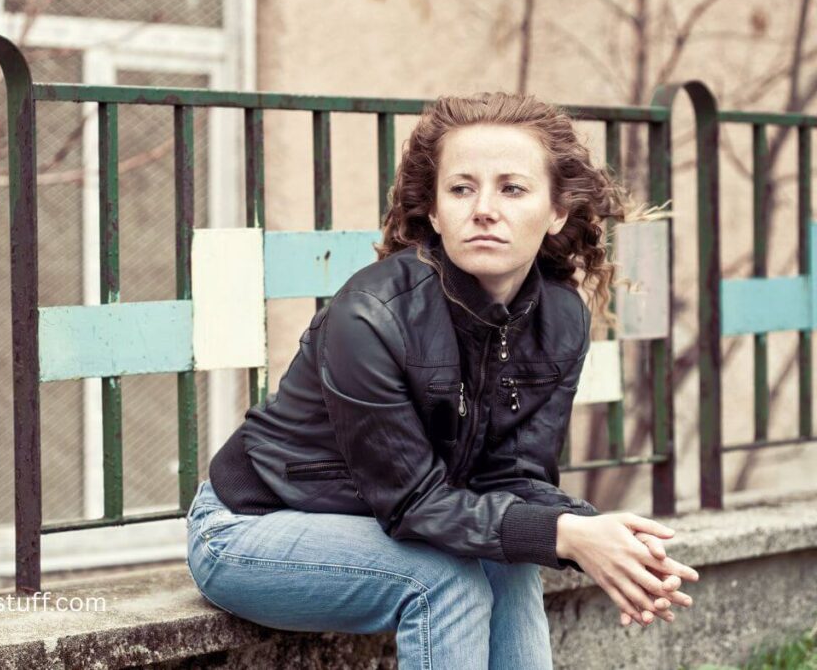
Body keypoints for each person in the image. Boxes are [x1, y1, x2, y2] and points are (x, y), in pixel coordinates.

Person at [185, 92, 699, 669]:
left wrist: (602, 538)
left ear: (556, 211)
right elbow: (412, 503)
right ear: (433, 212)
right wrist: (569, 535)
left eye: (512, 188)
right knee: (445, 581)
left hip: (380, 524)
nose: (484, 208)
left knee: (512, 562)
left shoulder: (559, 319)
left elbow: (512, 477)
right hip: (252, 529)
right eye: (461, 189)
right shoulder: (371, 315)